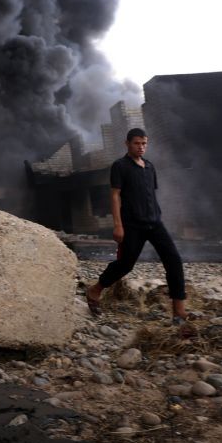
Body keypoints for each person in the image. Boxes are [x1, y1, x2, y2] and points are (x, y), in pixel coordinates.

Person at [84, 128, 194, 325]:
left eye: (144, 143)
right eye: (137, 143)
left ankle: (179, 312)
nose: (141, 147)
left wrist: (156, 215)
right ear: (127, 144)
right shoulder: (120, 166)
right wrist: (118, 225)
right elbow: (115, 195)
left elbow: (149, 194)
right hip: (132, 224)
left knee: (174, 261)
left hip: (155, 222)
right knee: (126, 264)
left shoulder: (149, 167)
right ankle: (95, 290)